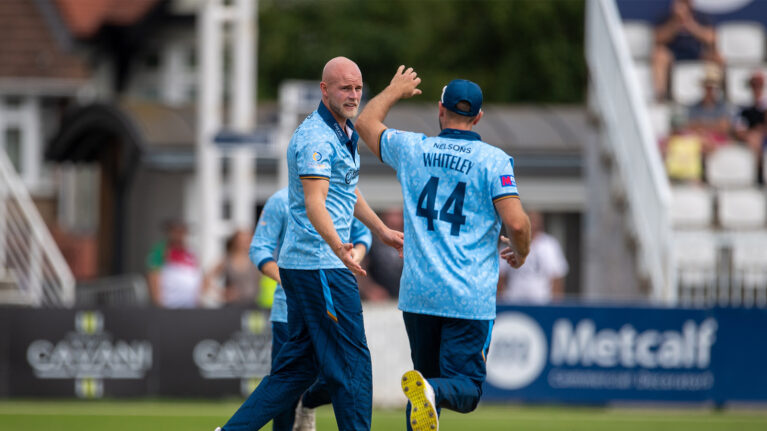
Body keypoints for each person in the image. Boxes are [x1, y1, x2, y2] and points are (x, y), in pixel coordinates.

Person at [216, 57, 403, 431]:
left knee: (296, 370)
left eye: (358, 88)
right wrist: (338, 246)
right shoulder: (316, 136)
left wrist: (380, 229)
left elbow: (346, 191)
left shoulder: (343, 132)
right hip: (321, 266)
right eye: (345, 88)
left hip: (310, 266)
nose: (353, 95)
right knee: (352, 365)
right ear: (324, 89)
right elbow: (315, 202)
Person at [356, 67, 531, 431]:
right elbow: (516, 224)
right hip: (467, 295)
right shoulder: (493, 160)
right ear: (478, 117)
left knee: (422, 393)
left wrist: (394, 90)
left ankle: (431, 391)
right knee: (466, 389)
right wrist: (521, 252)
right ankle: (434, 391)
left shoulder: (413, 148)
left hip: (419, 293)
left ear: (440, 109)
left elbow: (365, 124)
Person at [247, 186, 372, 431]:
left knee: (339, 375)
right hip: (289, 309)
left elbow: (363, 234)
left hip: (334, 303)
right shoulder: (281, 201)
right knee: (285, 387)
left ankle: (309, 401)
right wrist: (287, 278)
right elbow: (259, 248)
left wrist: (354, 257)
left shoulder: (340, 196)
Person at [652, 0, 721, 100]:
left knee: (716, 56)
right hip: (673, 54)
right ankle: (661, 96)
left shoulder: (701, 17)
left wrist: (690, 24)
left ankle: (714, 97)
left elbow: (710, 38)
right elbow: (658, 39)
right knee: (659, 55)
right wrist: (675, 23)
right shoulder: (666, 17)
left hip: (697, 53)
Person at [497, 211, 568, 304]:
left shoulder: (550, 245)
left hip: (542, 301)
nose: (532, 225)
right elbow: (500, 275)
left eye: (535, 222)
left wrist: (555, 304)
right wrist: (499, 301)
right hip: (514, 300)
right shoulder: (511, 243)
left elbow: (557, 276)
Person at [145, 219, 203, 308]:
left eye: (182, 232)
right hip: (169, 305)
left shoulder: (191, 252)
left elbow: (196, 277)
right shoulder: (159, 251)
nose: (179, 235)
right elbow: (153, 276)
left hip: (190, 305)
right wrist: (158, 303)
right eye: (175, 232)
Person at [358, 207, 404, 301]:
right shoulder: (370, 238)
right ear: (383, 215)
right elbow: (357, 265)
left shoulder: (413, 237)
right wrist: (369, 289)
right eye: (391, 215)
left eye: (398, 215)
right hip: (377, 300)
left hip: (405, 297)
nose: (395, 220)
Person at [205, 229, 261, 306]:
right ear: (235, 242)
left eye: (248, 240)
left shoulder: (255, 260)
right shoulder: (227, 260)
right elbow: (207, 279)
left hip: (253, 305)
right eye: (242, 240)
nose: (245, 243)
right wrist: (221, 292)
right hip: (232, 306)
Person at [686, 64, 732, 150]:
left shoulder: (723, 106)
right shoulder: (694, 106)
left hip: (714, 142)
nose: (710, 90)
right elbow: (690, 126)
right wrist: (713, 125)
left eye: (712, 88)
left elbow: (724, 128)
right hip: (701, 140)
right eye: (708, 87)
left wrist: (701, 124)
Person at [734, 71, 767, 162]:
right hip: (752, 138)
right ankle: (759, 167)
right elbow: (740, 131)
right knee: (754, 139)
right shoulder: (744, 108)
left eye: (759, 85)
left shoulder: (764, 106)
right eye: (754, 85)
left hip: (762, 137)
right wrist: (753, 133)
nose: (757, 88)